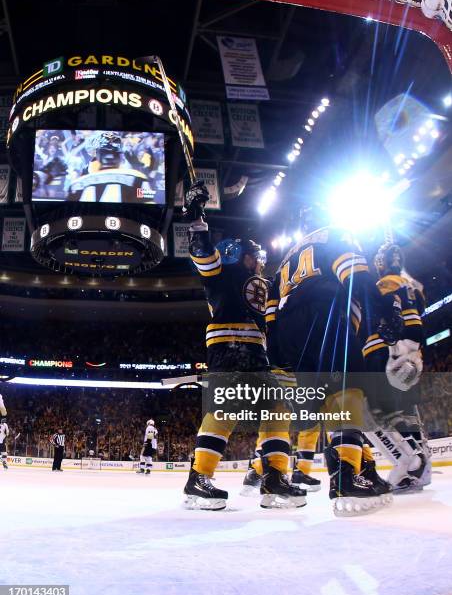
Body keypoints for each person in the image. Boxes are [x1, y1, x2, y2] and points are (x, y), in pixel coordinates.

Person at [264, 210, 400, 516]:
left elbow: (270, 311)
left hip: (288, 332)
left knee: (328, 402)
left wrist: (276, 349)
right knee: (347, 392)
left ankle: (361, 467)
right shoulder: (335, 236)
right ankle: (346, 475)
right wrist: (384, 310)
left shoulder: (287, 256)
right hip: (323, 316)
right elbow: (355, 276)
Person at [182, 181, 305, 510]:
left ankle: (275, 478)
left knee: (277, 409)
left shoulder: (262, 283)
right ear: (243, 255)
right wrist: (197, 219)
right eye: (255, 255)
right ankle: (198, 480)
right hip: (228, 346)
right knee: (227, 409)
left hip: (255, 352)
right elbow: (201, 252)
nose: (260, 260)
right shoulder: (221, 274)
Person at [362, 242, 429, 492]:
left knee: (379, 411)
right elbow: (419, 307)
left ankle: (410, 462)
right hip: (412, 347)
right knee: (406, 408)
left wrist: (391, 343)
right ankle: (423, 468)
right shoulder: (409, 283)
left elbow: (390, 314)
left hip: (390, 347)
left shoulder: (384, 283)